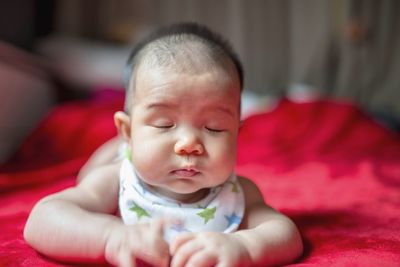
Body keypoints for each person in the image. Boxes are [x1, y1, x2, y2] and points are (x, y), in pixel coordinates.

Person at [24, 22, 303, 267]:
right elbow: (43, 219)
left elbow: (283, 233)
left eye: (214, 128)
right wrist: (111, 237)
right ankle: (119, 147)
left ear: (236, 134)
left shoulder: (237, 192)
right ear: (129, 130)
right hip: (121, 157)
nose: (189, 144)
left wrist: (244, 247)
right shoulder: (117, 181)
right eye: (164, 125)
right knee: (96, 170)